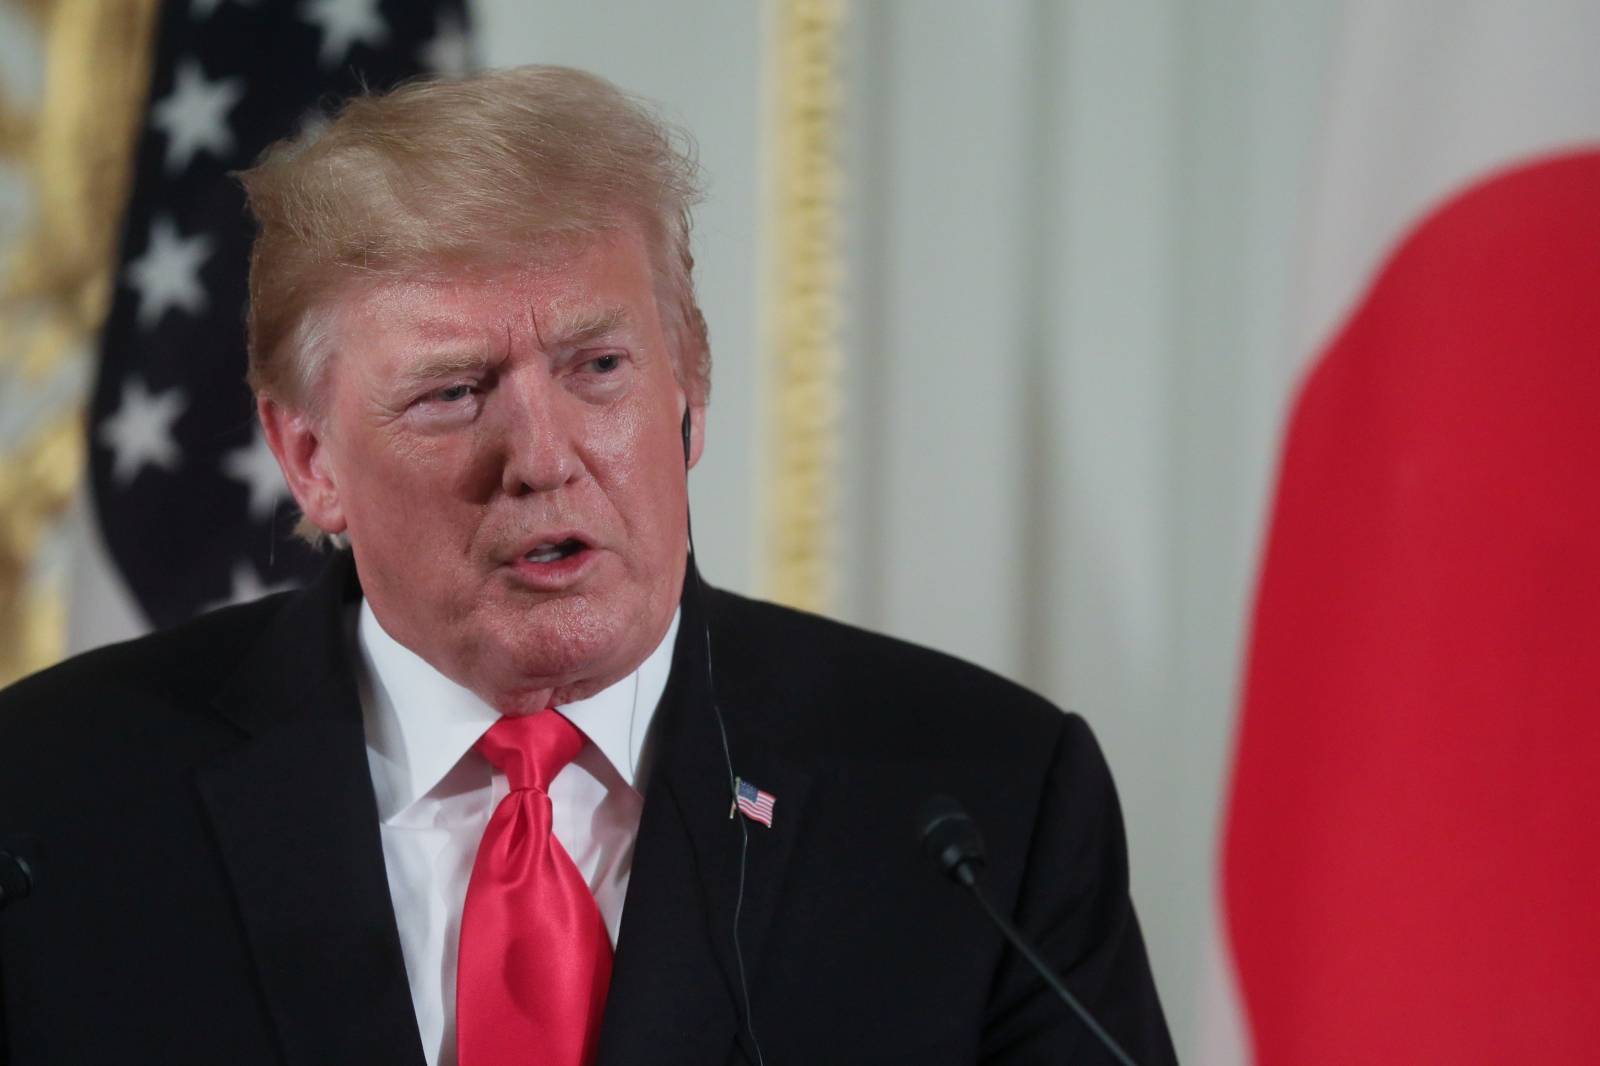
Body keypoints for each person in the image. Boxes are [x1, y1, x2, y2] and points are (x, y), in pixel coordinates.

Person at [0, 67, 1176, 1065]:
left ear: (690, 392)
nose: (543, 457)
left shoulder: (980, 805)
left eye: (598, 367)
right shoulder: (53, 803)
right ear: (309, 460)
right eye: (454, 392)